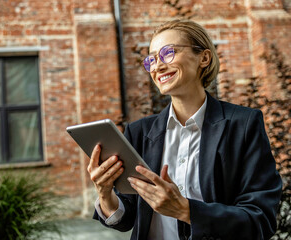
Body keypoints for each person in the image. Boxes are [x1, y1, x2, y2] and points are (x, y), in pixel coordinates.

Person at [87, 19, 282, 240]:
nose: (158, 66)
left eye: (168, 52)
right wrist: (104, 193)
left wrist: (186, 210)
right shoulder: (138, 133)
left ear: (204, 58)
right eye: (151, 59)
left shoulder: (244, 124)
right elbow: (126, 218)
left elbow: (260, 219)